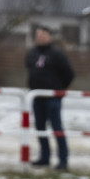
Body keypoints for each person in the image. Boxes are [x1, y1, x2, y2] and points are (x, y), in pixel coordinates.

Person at [26, 24, 75, 170]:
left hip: (53, 96)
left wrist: (61, 89)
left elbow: (69, 73)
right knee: (40, 127)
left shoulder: (56, 54)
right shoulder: (32, 53)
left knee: (56, 127)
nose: (40, 38)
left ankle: (63, 160)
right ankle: (44, 157)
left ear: (49, 37)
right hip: (37, 96)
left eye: (43, 35)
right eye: (38, 35)